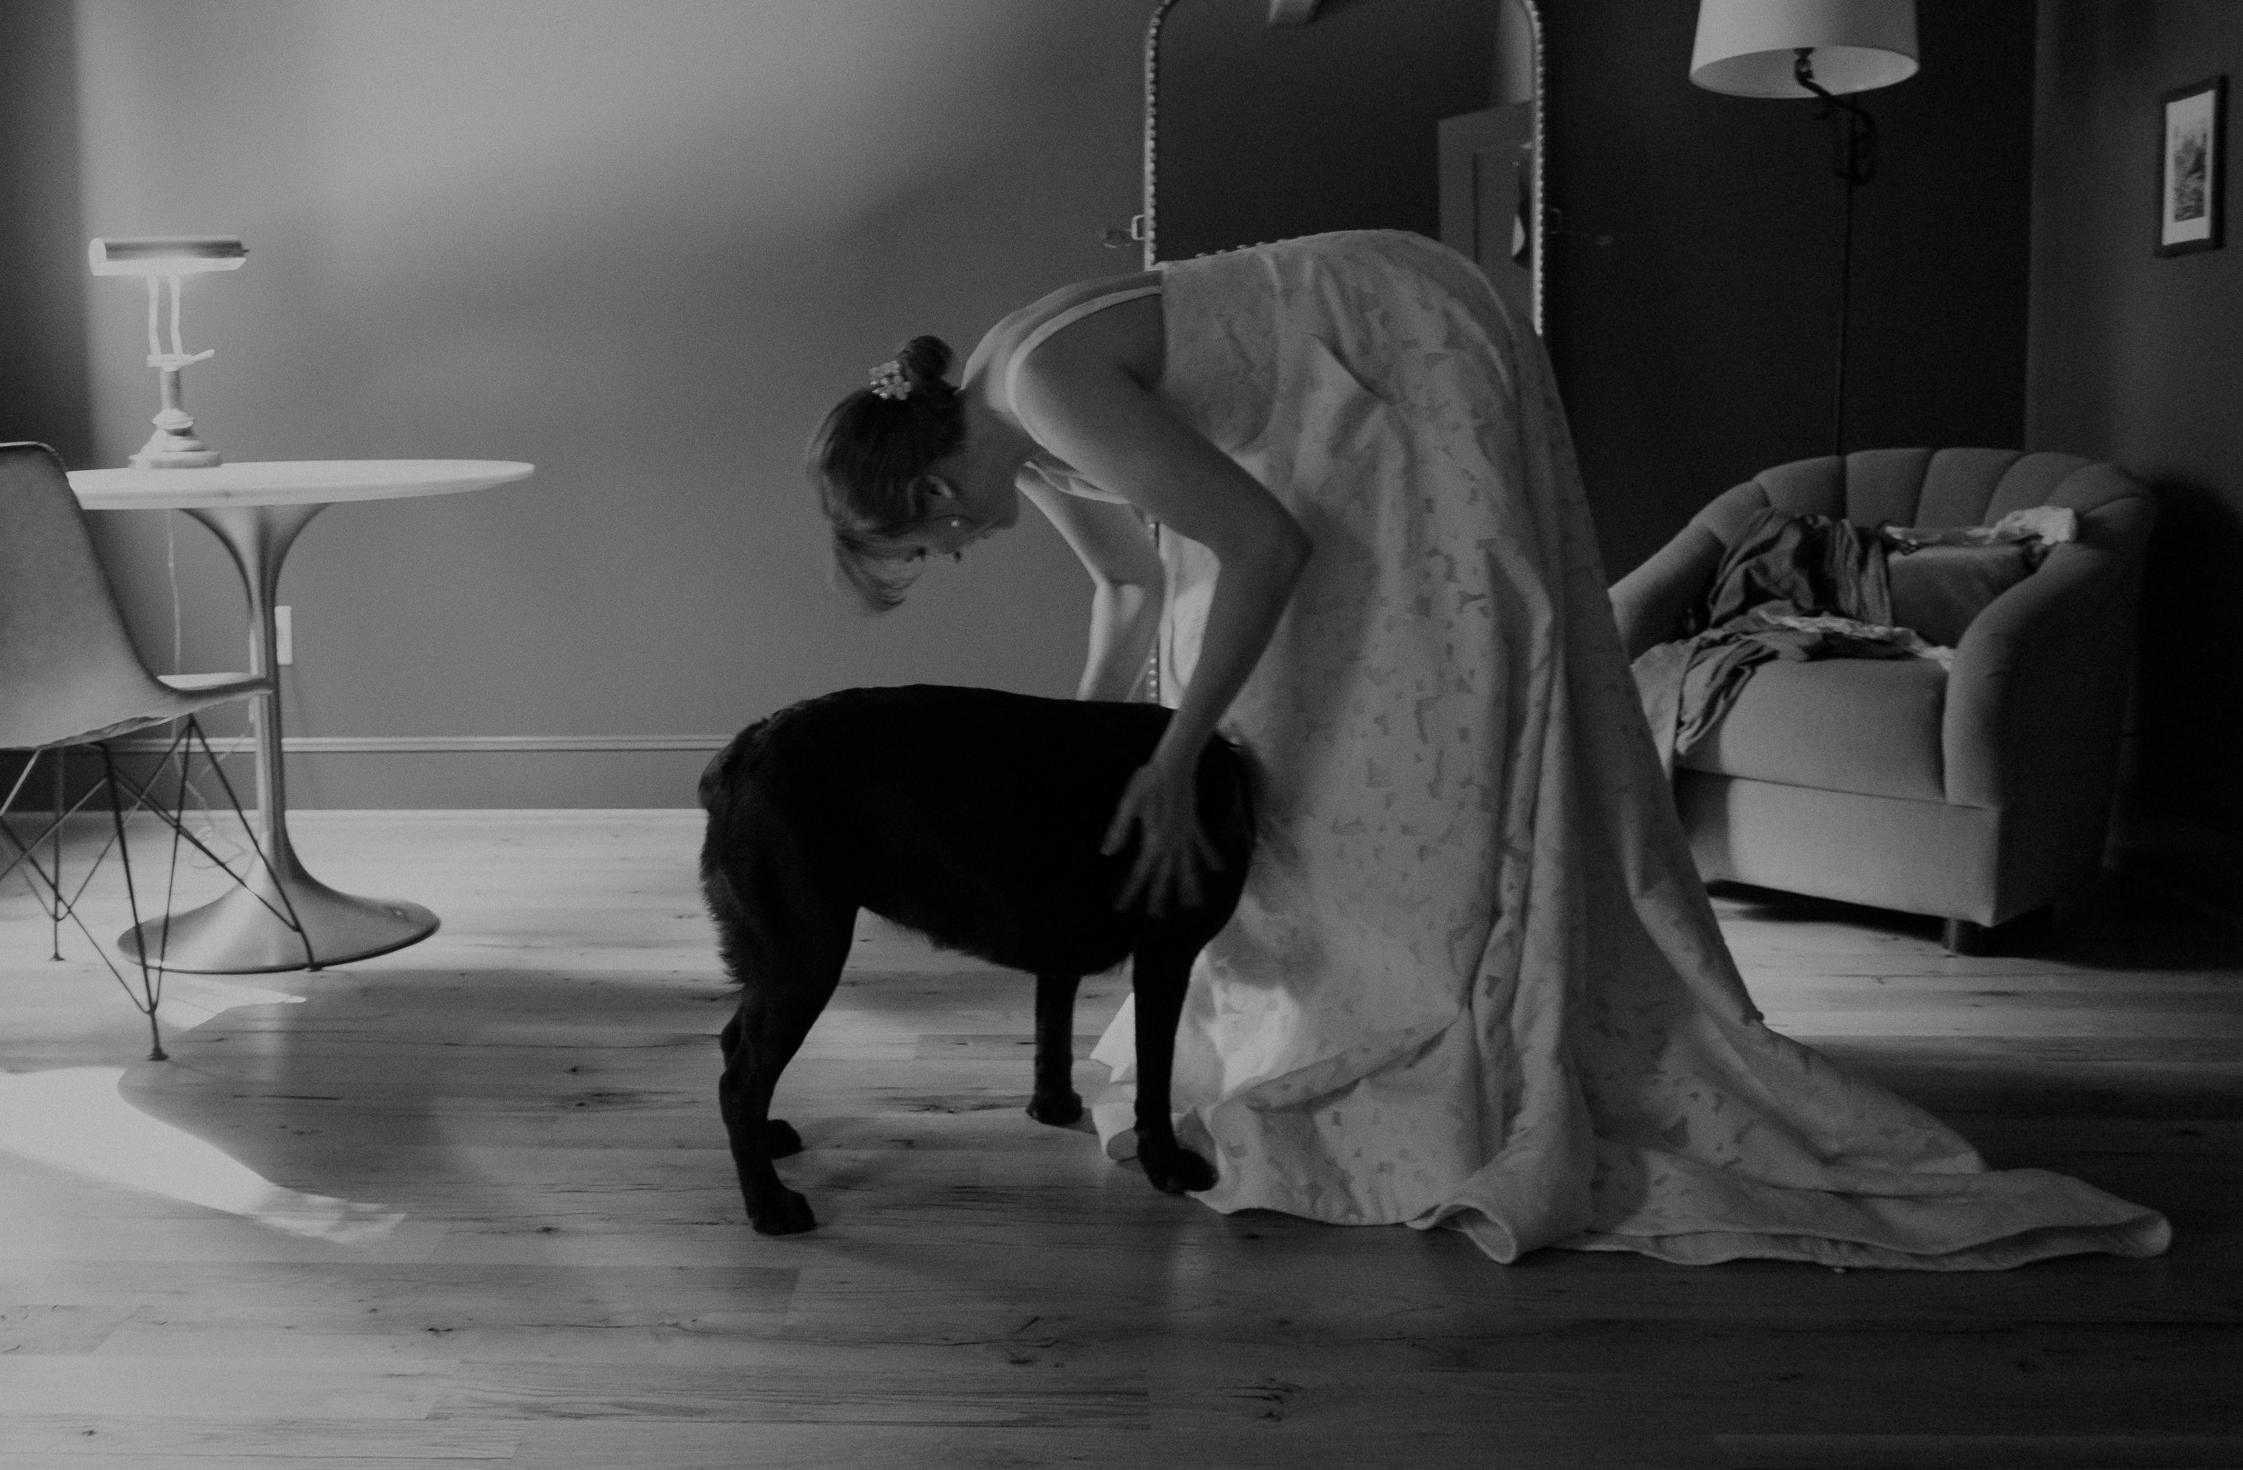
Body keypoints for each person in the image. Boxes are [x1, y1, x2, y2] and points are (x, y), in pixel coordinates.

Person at [805, 228, 2169, 1269]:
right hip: (1333, 373)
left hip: (1405, 342)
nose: (965, 547)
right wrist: (1102, 751)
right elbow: (1125, 589)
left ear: (931, 486)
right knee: (1293, 723)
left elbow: (1264, 546)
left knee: (1409, 710)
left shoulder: (1037, 385)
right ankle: (1368, 999)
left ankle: (1452, 1014)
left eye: (938, 542)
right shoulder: (1001, 398)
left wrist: (1173, 760)